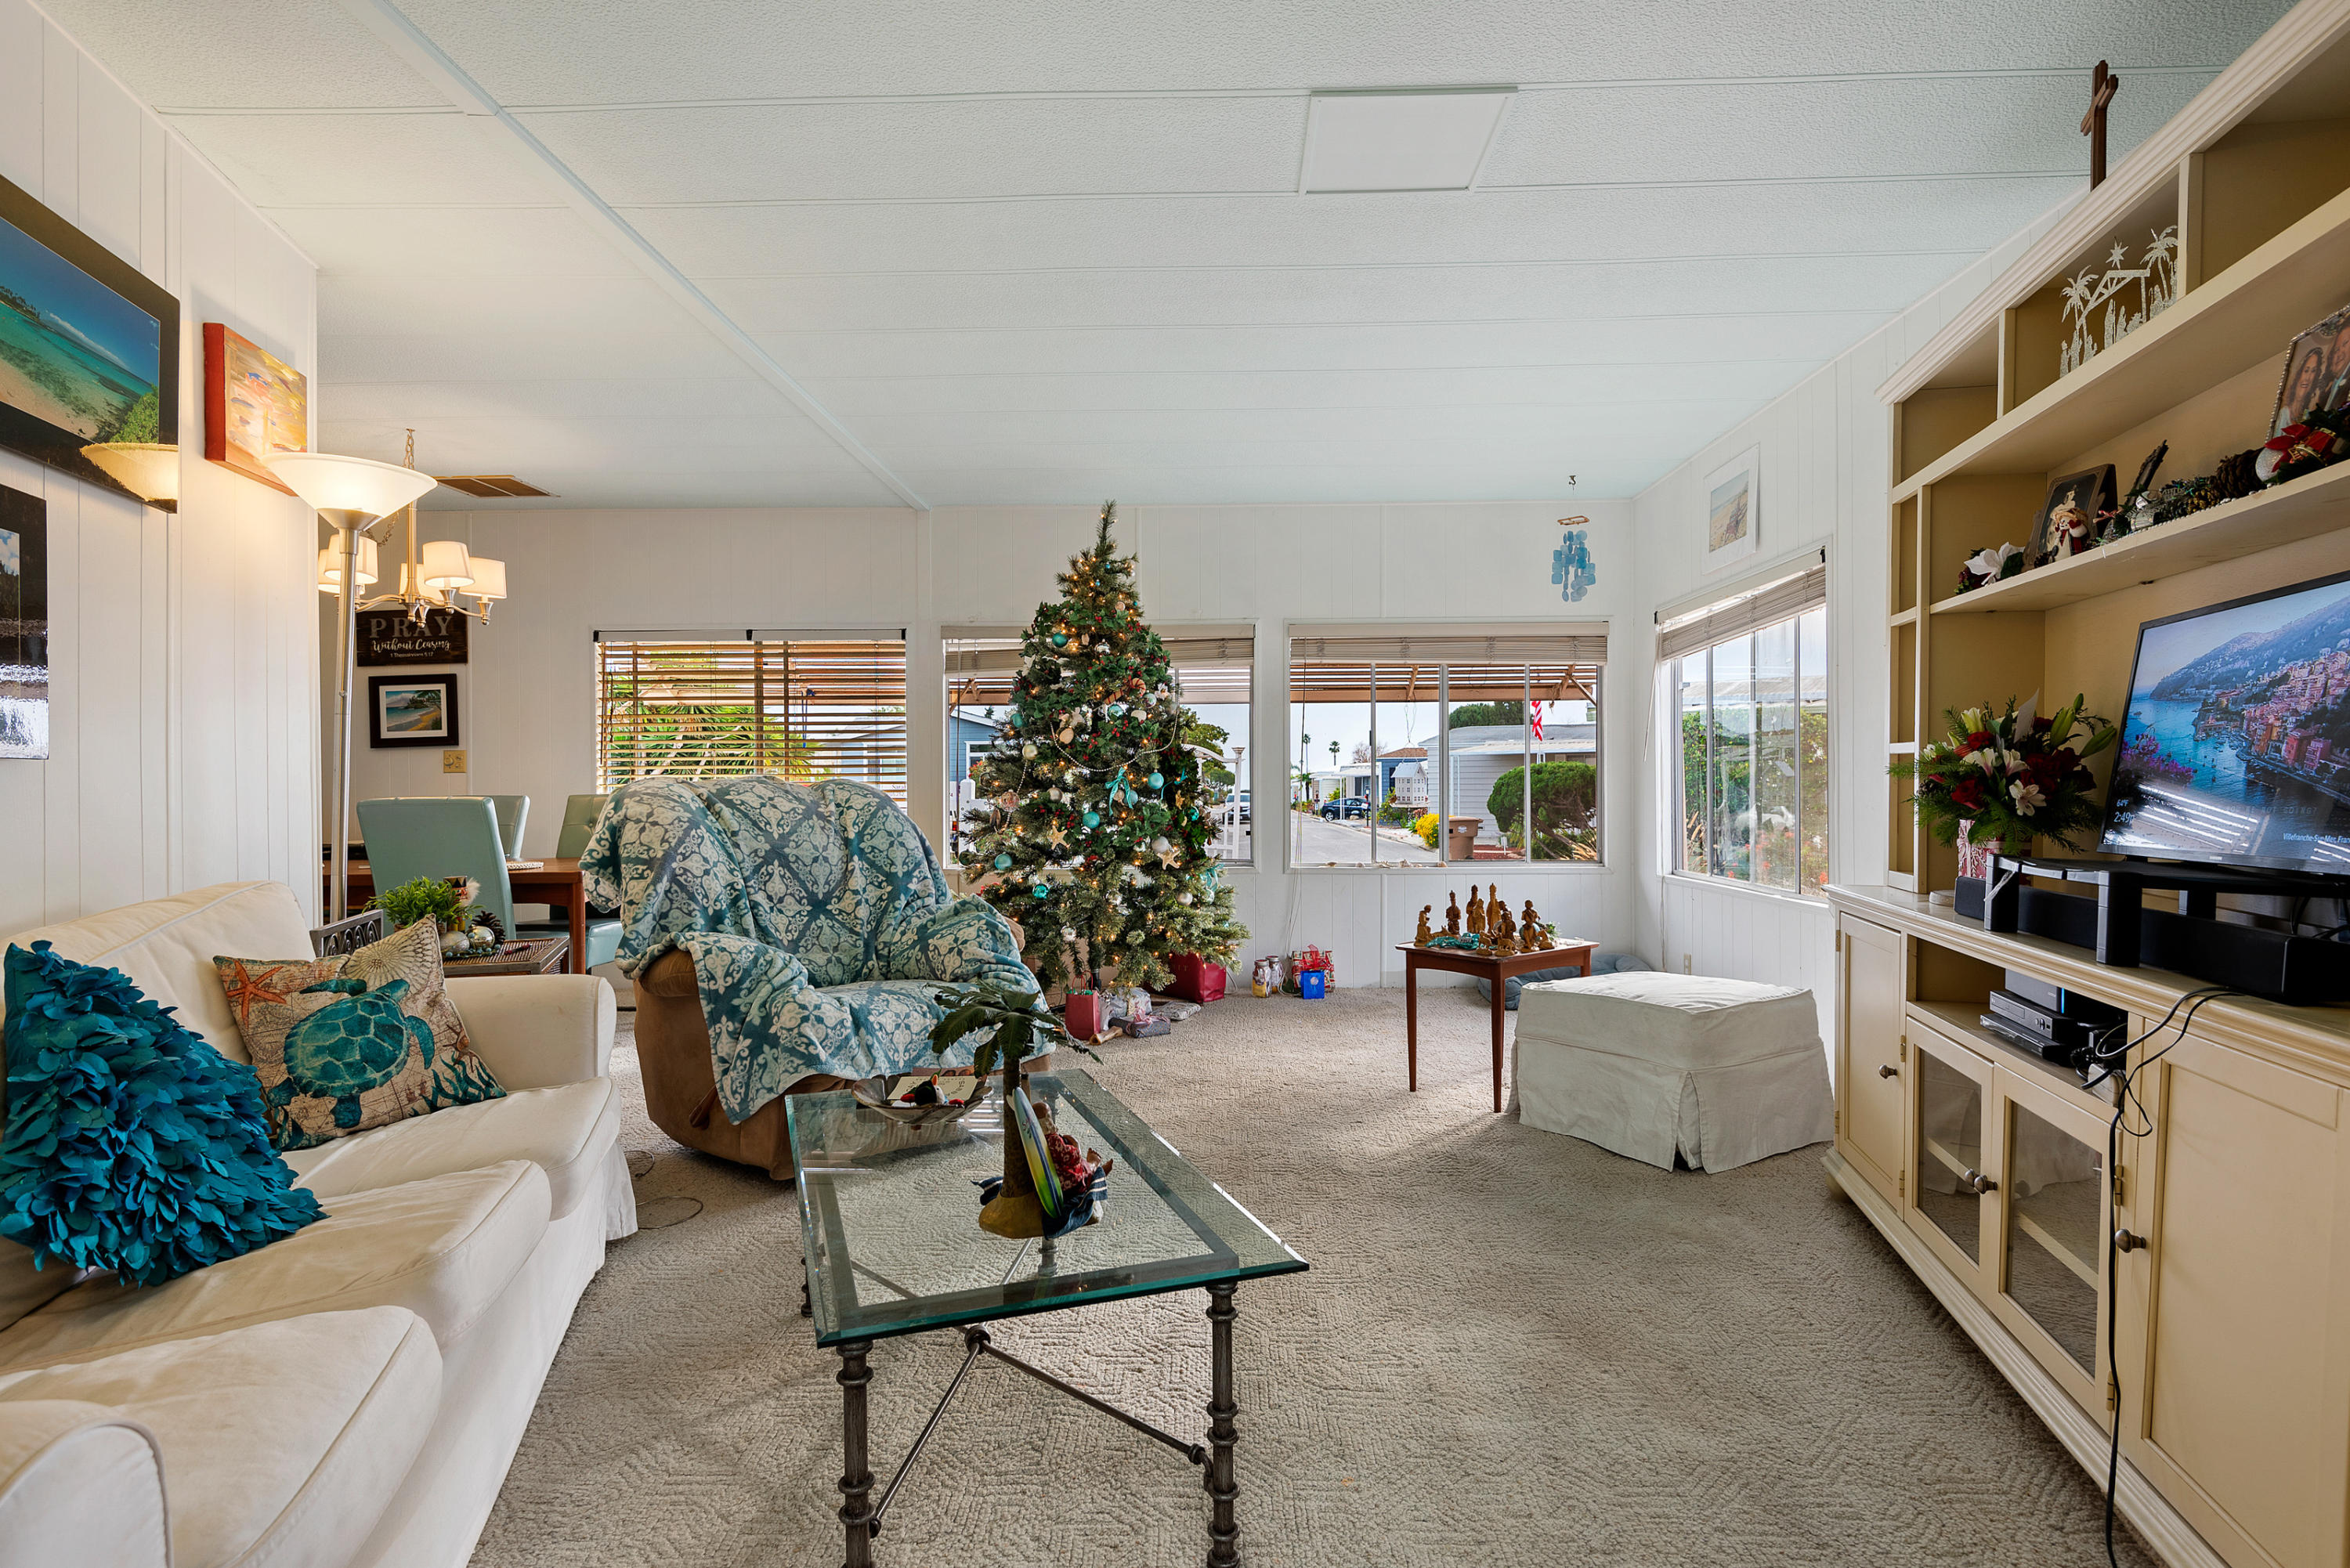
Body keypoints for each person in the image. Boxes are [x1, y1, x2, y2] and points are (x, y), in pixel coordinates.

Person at [2278, 338, 2330, 435]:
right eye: (2306, 371)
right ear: (2299, 374)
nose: (2308, 378)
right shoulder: (2284, 414)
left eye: (2313, 371)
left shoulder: (2307, 414)